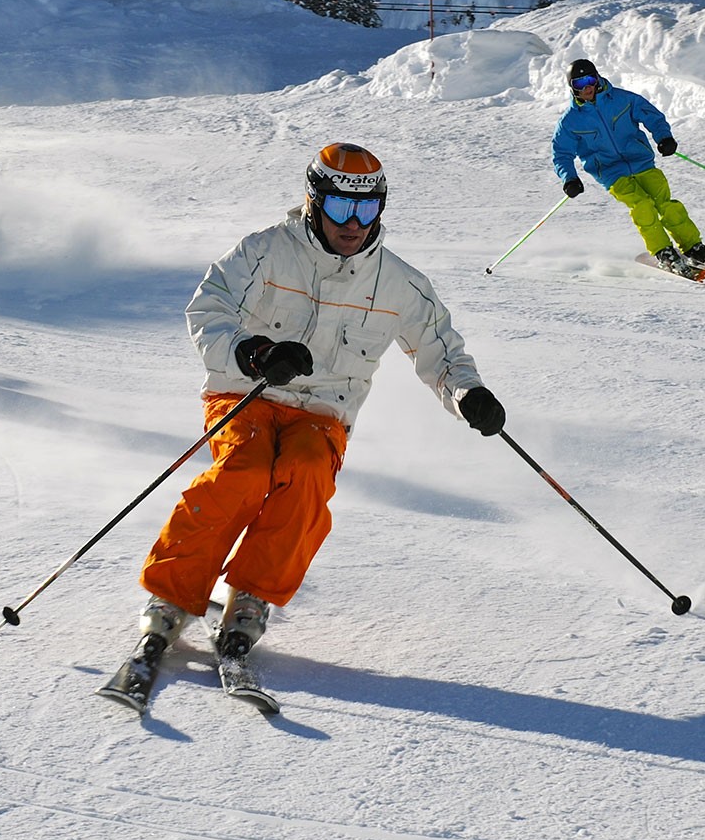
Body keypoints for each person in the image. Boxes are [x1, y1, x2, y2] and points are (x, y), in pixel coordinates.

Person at [126, 142, 504, 672]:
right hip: (247, 391)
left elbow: (441, 352)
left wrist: (468, 396)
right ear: (313, 201)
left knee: (303, 476)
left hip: (324, 411)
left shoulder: (399, 283)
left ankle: (250, 597)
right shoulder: (265, 251)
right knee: (243, 469)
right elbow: (208, 308)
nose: (354, 223)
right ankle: (171, 596)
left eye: (367, 209)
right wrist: (255, 353)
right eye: (341, 208)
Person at [551, 58, 705, 275]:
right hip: (611, 172)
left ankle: (693, 247)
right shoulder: (570, 121)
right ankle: (664, 252)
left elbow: (652, 116)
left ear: (597, 78)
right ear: (572, 88)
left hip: (642, 162)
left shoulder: (622, 99)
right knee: (642, 205)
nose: (587, 87)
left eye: (590, 80)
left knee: (666, 204)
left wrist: (663, 137)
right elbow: (561, 154)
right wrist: (569, 179)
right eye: (579, 84)